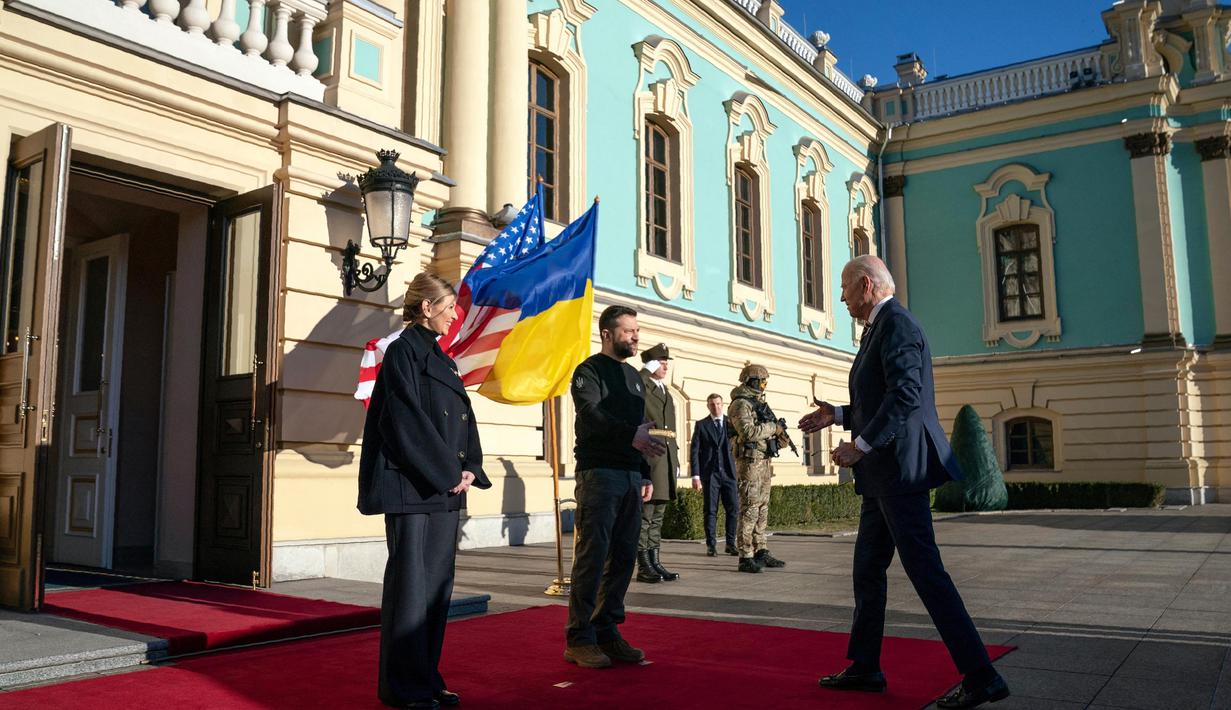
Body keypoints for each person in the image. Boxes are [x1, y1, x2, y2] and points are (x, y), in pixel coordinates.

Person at [800, 255, 1010, 709]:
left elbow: (905, 398)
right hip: (884, 475)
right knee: (867, 570)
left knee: (926, 573)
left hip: (899, 470)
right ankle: (865, 666)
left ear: (866, 285)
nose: (840, 297)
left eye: (844, 288)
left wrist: (862, 445)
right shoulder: (881, 327)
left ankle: (981, 675)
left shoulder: (896, 324)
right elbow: (881, 399)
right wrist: (836, 415)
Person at [357, 272, 492, 710]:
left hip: (445, 489)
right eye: (449, 306)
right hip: (413, 488)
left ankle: (426, 680)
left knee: (436, 591)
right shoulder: (401, 353)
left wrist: (470, 466)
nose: (455, 315)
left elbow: (464, 419)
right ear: (426, 307)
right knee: (411, 593)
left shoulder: (442, 358)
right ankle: (402, 687)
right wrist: (446, 471)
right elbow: (404, 421)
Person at [564, 304, 666, 668]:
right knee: (593, 557)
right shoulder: (588, 372)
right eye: (629, 331)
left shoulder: (635, 378)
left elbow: (640, 429)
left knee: (623, 558)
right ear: (607, 334)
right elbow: (591, 416)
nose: (636, 336)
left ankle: (607, 633)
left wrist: (642, 473)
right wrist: (631, 438)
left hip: (628, 477)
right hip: (599, 474)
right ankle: (579, 639)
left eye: (637, 330)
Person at [728, 364, 788, 573]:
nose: (764, 386)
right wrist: (773, 428)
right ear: (751, 381)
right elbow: (748, 432)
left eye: (765, 382)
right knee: (750, 508)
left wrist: (779, 438)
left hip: (763, 461)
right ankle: (745, 555)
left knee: (763, 507)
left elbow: (766, 430)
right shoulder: (740, 404)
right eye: (761, 382)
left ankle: (761, 549)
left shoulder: (758, 403)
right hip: (749, 463)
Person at [636, 343, 681, 583]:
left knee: (658, 515)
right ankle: (644, 566)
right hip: (650, 457)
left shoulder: (666, 391)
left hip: (665, 458)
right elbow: (632, 385)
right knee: (645, 515)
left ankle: (655, 561)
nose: (665, 366)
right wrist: (645, 370)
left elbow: (670, 430)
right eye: (661, 363)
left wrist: (676, 460)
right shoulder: (642, 385)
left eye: (666, 363)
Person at [690, 393, 739, 557]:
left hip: (729, 473)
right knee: (710, 511)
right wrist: (695, 476)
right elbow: (695, 451)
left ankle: (731, 544)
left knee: (733, 509)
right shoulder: (701, 425)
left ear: (722, 404)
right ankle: (711, 545)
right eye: (712, 404)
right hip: (710, 474)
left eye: (718, 404)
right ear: (708, 406)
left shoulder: (731, 424)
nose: (715, 407)